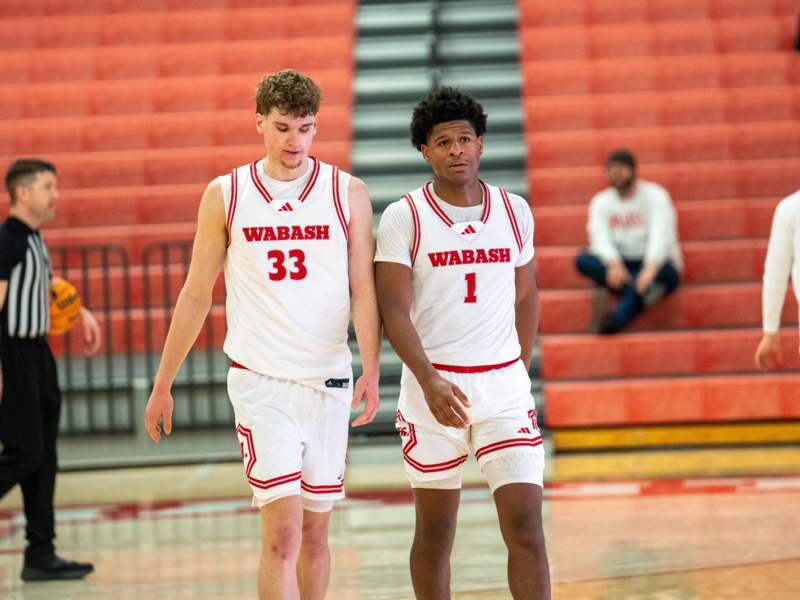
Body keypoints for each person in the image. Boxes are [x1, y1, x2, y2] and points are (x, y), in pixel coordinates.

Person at [143, 69, 380, 600]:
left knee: (317, 536)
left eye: (305, 128)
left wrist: (370, 367)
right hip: (262, 382)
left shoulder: (348, 193)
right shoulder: (226, 195)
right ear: (259, 124)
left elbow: (364, 290)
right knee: (284, 534)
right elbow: (196, 293)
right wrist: (163, 384)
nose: (294, 141)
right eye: (281, 128)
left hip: (328, 380)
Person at [375, 87, 550, 600]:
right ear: (425, 152)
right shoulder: (404, 217)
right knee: (435, 533)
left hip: (503, 388)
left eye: (465, 139)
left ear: (481, 144)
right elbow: (392, 308)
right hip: (434, 387)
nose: (456, 150)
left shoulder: (514, 210)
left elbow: (527, 294)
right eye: (443, 141)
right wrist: (428, 379)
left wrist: (516, 365)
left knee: (526, 529)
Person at [1, 158, 101, 581]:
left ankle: (41, 554)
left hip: (38, 355)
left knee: (44, 459)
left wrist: (82, 314)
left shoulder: (34, 240)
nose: (55, 194)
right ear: (22, 192)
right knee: (25, 453)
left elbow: (44, 290)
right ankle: (40, 551)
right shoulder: (9, 240)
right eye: (47, 187)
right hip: (14, 355)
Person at [574, 149, 683, 334]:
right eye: (611, 170)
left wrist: (650, 269)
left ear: (632, 170)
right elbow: (598, 236)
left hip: (654, 264)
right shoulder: (601, 201)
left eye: (620, 169)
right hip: (621, 262)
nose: (616, 175)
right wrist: (613, 263)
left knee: (668, 276)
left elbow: (662, 234)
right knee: (582, 260)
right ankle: (635, 288)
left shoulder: (655, 196)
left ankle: (615, 320)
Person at [755, 190, 800, 370]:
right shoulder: (790, 208)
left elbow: (775, 275)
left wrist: (770, 331)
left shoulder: (790, 207)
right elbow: (775, 275)